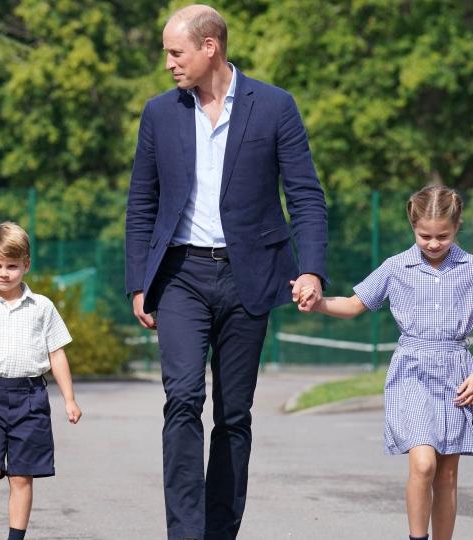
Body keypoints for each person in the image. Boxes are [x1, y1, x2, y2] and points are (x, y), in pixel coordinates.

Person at [124, 4, 328, 539]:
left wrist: (312, 271)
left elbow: (305, 195)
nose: (168, 63)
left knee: (234, 415)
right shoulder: (160, 113)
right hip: (181, 276)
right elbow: (141, 202)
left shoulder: (275, 106)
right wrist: (139, 281)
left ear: (209, 47)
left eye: (176, 52)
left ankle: (220, 532)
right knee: (184, 398)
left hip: (249, 277)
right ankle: (186, 533)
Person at [300, 185, 473, 540]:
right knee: (423, 463)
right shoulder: (396, 266)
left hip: (458, 374)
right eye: (425, 235)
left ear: (457, 227)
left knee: (447, 474)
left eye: (443, 235)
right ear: (413, 227)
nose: (434, 243)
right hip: (412, 373)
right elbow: (354, 303)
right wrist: (318, 303)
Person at [0, 222, 81, 540]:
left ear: (26, 265)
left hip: (32, 397)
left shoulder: (42, 307)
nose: (4, 273)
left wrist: (70, 399)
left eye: (12, 266)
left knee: (22, 476)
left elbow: (57, 354)